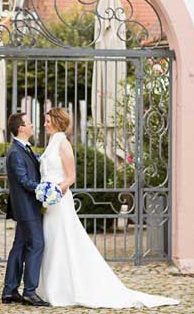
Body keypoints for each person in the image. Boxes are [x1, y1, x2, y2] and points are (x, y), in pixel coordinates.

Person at [35, 107, 181, 309]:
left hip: (59, 201)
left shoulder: (63, 143)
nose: (45, 124)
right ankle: (50, 286)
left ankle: (66, 288)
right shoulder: (51, 142)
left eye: (47, 120)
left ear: (57, 121)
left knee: (63, 240)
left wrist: (54, 192)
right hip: (49, 203)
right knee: (51, 240)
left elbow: (71, 177)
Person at [1, 113, 50, 307]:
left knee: (20, 247)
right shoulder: (15, 152)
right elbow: (22, 180)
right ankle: (30, 292)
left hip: (27, 206)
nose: (32, 125)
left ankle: (10, 290)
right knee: (37, 244)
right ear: (21, 128)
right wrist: (42, 189)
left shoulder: (25, 149)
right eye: (29, 123)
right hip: (26, 207)